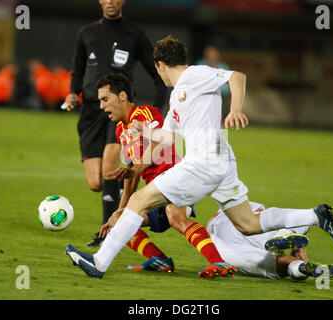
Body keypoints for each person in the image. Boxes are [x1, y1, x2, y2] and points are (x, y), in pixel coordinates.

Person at [67, 35, 333, 279]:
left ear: (160, 65)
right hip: (220, 160)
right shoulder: (178, 96)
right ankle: (315, 216)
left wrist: (234, 109)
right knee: (248, 223)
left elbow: (238, 77)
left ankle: (99, 263)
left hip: (203, 161)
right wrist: (144, 132)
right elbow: (168, 138)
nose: (159, 74)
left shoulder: (194, 74)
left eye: (157, 69)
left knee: (138, 201)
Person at [66, 72, 237, 279]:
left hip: (176, 181)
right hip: (154, 196)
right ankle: (160, 260)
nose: (102, 106)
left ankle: (219, 263)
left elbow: (159, 141)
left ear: (122, 96)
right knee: (119, 224)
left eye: (104, 99)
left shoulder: (146, 113)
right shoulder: (121, 130)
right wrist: (120, 210)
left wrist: (137, 169)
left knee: (176, 216)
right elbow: (131, 176)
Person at [63, 0, 167, 247]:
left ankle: (108, 233)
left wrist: (160, 109)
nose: (110, 1)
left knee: (111, 160)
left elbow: (158, 74)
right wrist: (71, 93)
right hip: (90, 110)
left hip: (117, 111)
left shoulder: (134, 34)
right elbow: (77, 69)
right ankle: (125, 199)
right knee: (95, 183)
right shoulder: (86, 33)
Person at [207, 201, 333, 280]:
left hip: (222, 239)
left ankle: (297, 267)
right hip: (238, 220)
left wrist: (301, 253)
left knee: (276, 265)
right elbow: (262, 212)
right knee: (296, 221)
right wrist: (300, 248)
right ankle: (287, 236)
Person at [196, 45, 230, 119]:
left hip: (219, 97)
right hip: (201, 96)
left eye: (214, 55)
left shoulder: (223, 67)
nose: (212, 57)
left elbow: (226, 89)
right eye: (209, 55)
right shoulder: (199, 64)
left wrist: (213, 88)